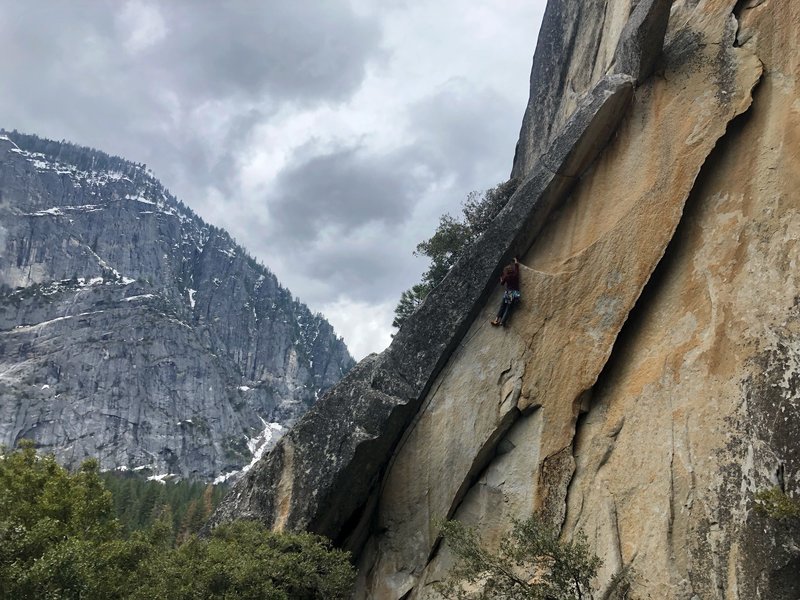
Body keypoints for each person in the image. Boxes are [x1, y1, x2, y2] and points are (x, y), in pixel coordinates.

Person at [491, 257, 521, 327]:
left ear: (506, 271)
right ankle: (502, 321)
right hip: (515, 293)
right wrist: (515, 260)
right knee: (508, 307)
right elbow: (517, 267)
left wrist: (501, 278)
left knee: (503, 307)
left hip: (508, 293)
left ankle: (496, 320)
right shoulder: (515, 275)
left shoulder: (506, 277)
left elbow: (502, 283)